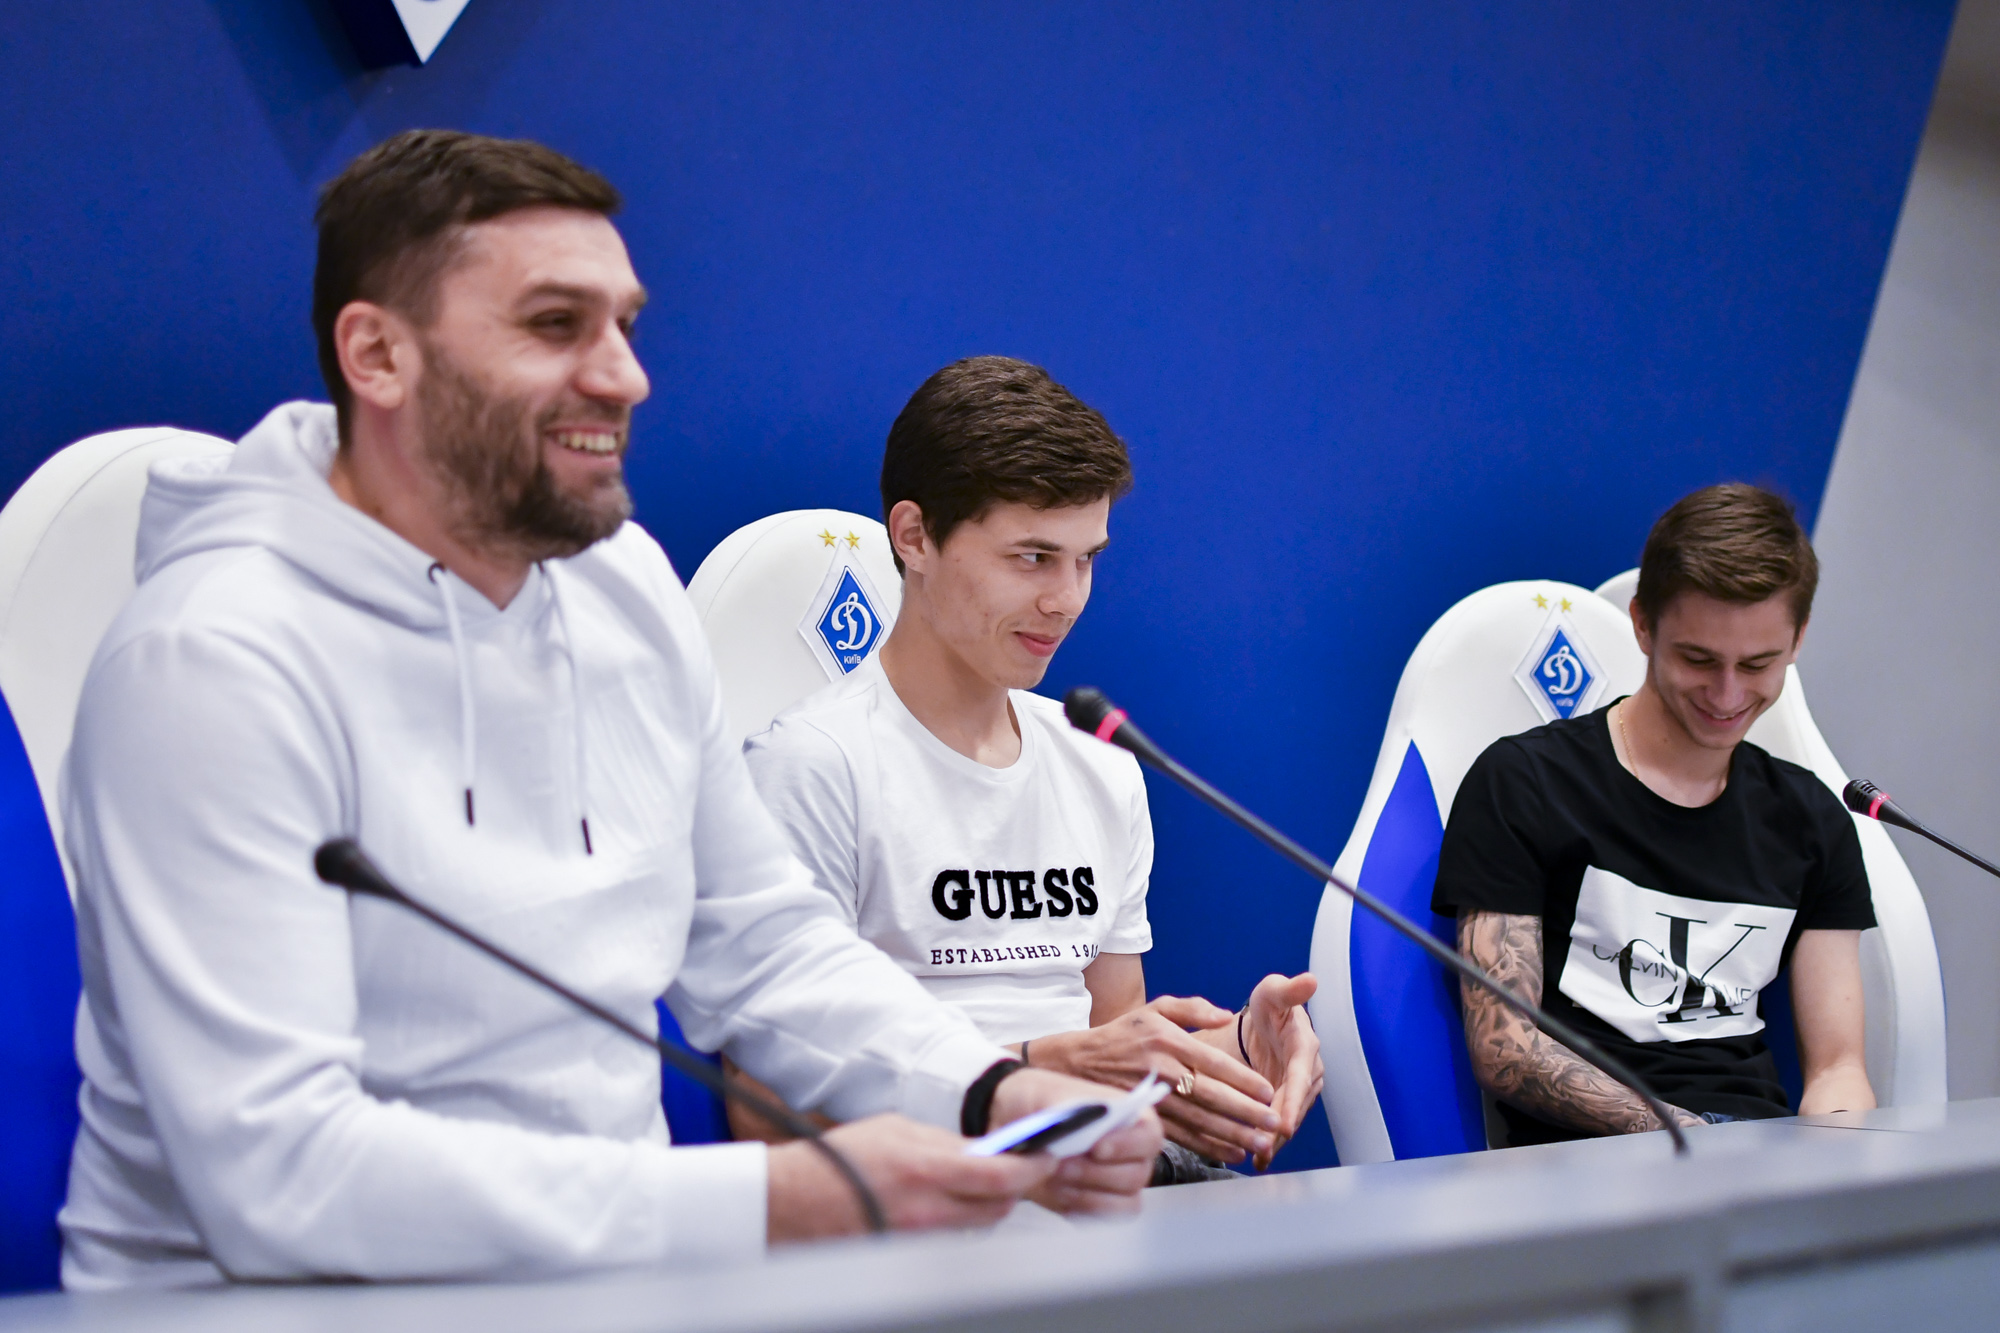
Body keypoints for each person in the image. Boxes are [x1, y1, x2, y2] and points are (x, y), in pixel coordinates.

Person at [57, 131, 1159, 1290]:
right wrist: (777, 1199)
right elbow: (278, 1175)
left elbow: (763, 946)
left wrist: (992, 1093)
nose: (625, 375)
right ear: (377, 355)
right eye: (554, 325)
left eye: (625, 325)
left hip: (599, 1290)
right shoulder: (209, 659)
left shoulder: (619, 583)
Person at [742, 357, 1322, 1181]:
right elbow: (766, 1112)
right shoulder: (811, 768)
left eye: (1086, 559)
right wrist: (1029, 1070)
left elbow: (1117, 1059)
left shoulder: (1099, 763)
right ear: (914, 537)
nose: (1067, 598)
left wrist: (1232, 1053)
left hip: (1096, 1177)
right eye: (1033, 557)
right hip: (930, 1199)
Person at [1432, 483, 1876, 1145]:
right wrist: (1687, 1133)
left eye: (1758, 664)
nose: (1727, 694)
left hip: (1762, 1158)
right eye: (1698, 659)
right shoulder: (1523, 783)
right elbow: (1506, 1048)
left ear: (1798, 640)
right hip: (1590, 1169)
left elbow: (1839, 1067)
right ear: (1643, 625)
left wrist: (1839, 1163)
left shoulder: (1814, 819)